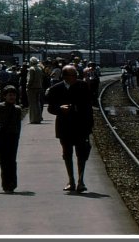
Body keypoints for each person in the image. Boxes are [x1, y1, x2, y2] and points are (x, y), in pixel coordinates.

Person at [46, 64, 94, 192]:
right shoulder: (56, 89)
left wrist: (90, 126)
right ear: (65, 76)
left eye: (76, 75)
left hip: (81, 125)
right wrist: (59, 109)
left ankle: (81, 181)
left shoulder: (82, 86)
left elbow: (89, 107)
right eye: (73, 75)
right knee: (67, 154)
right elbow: (50, 108)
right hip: (64, 126)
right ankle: (71, 180)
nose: (76, 77)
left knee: (81, 154)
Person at [0, 85, 22, 193]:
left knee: (12, 161)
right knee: (3, 161)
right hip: (3, 136)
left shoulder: (17, 109)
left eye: (14, 95)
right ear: (4, 96)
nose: (12, 97)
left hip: (13, 136)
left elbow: (18, 124)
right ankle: (5, 184)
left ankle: (12, 184)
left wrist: (18, 135)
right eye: (10, 95)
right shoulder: (0, 106)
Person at [26, 57, 44, 124]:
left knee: (32, 104)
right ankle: (38, 118)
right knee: (37, 103)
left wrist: (27, 86)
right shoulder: (39, 68)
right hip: (39, 87)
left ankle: (33, 119)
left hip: (32, 88)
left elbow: (30, 79)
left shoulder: (31, 69)